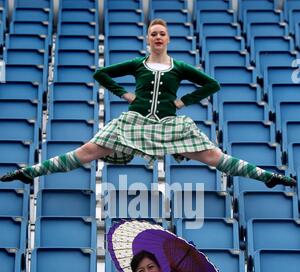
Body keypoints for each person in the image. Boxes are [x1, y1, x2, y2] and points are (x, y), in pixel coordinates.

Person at [0, 18, 296, 189]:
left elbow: (212, 84)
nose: (158, 37)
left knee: (213, 156)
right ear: (148, 39)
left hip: (169, 125)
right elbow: (101, 73)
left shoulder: (179, 67)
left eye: (162, 34)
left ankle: (266, 176)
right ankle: (30, 172)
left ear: (167, 39)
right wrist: (125, 95)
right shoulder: (137, 64)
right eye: (153, 33)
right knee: (87, 151)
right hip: (134, 123)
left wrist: (182, 102)